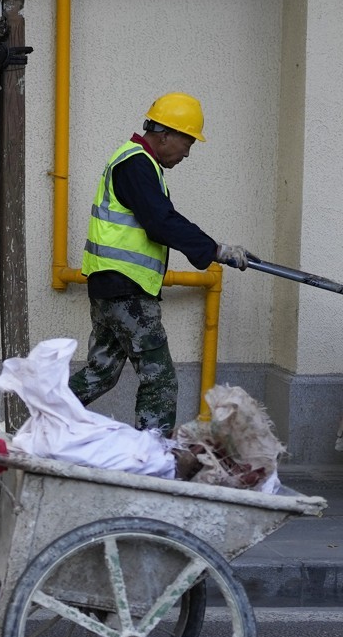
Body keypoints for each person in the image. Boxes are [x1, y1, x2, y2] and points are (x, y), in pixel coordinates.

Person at [68, 92, 252, 436]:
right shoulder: (136, 164)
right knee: (161, 380)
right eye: (187, 142)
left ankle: (33, 421)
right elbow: (161, 221)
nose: (187, 152)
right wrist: (213, 249)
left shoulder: (134, 162)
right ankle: (154, 461)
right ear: (164, 134)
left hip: (110, 287)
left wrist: (210, 248)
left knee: (100, 373)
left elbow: (156, 220)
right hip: (127, 290)